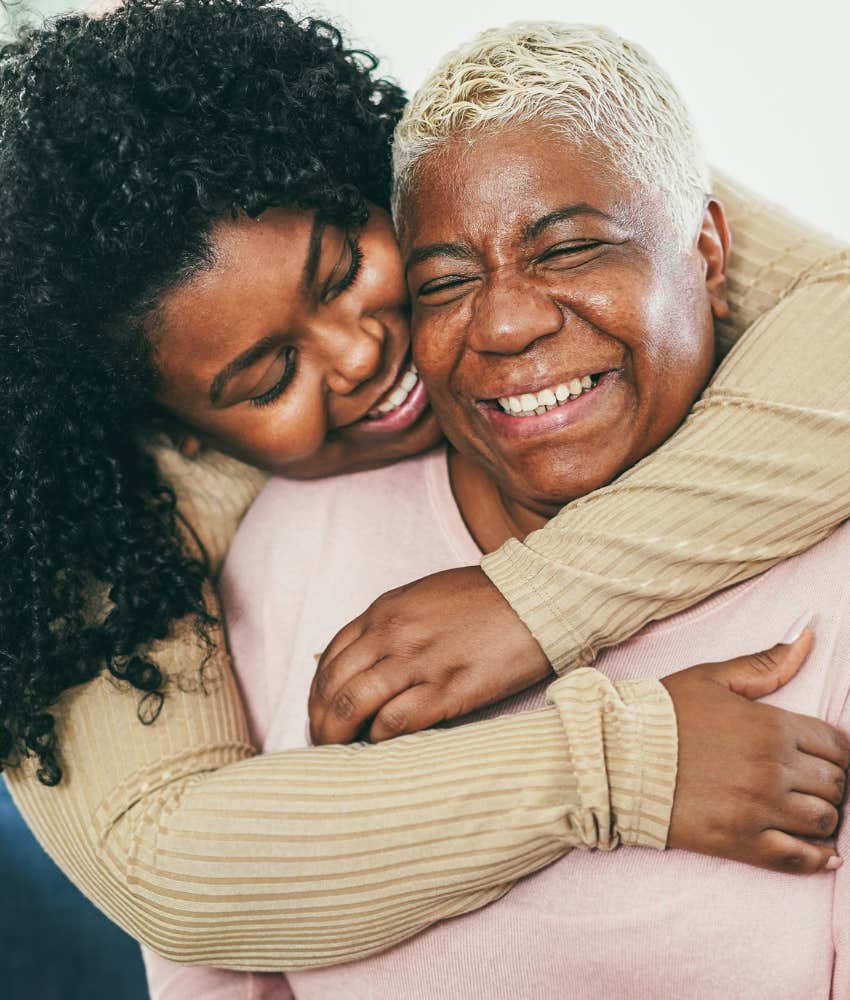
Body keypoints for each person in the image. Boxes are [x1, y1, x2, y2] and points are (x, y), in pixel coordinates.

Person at [2, 0, 849, 973]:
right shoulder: (124, 517)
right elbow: (170, 865)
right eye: (270, 378)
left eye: (340, 269)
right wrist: (615, 764)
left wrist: (530, 599)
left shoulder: (468, 165)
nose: (363, 350)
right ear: (181, 434)